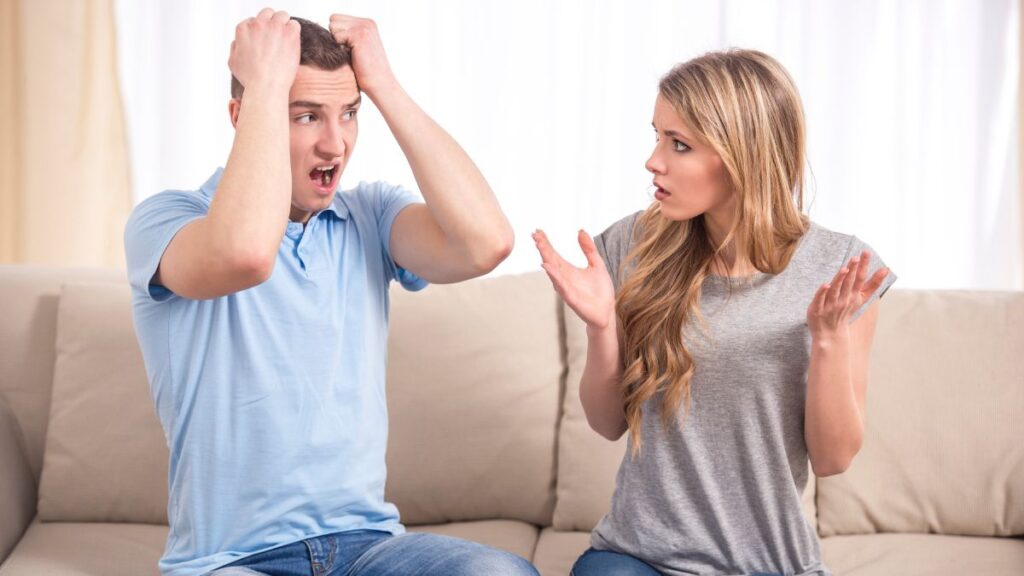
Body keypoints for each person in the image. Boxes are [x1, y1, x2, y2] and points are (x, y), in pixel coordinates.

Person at [125, 9, 538, 576]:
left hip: (368, 547)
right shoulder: (168, 221)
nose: (335, 143)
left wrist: (383, 85)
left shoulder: (369, 215)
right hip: (231, 561)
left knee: (499, 573)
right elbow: (245, 253)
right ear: (242, 116)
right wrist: (266, 85)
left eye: (348, 114)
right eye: (306, 116)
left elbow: (485, 243)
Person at [532, 49, 895, 576]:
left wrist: (828, 341)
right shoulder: (633, 244)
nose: (653, 161)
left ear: (744, 155)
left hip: (771, 563)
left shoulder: (839, 267)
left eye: (678, 144)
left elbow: (834, 459)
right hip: (636, 558)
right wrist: (602, 323)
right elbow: (607, 422)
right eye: (657, 136)